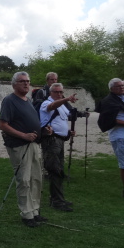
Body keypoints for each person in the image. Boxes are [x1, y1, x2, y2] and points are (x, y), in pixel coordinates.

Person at [0, 72, 47, 227]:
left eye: (28, 81)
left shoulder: (28, 101)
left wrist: (44, 130)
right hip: (19, 145)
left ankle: (35, 211)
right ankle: (26, 214)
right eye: (22, 82)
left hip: (33, 144)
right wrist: (23, 135)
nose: (26, 84)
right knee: (24, 179)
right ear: (14, 84)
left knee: (36, 178)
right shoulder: (9, 101)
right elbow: (3, 125)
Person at [40, 83, 77, 212]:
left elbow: (61, 121)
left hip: (60, 140)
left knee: (59, 170)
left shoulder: (62, 106)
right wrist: (66, 99)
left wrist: (68, 132)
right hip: (51, 140)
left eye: (61, 92)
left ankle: (58, 198)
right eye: (56, 92)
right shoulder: (46, 103)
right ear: (51, 93)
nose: (59, 94)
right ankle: (57, 201)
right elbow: (51, 107)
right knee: (54, 170)